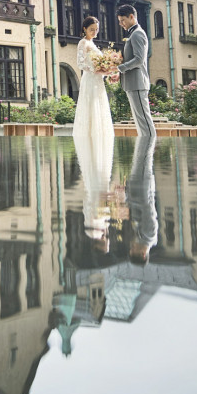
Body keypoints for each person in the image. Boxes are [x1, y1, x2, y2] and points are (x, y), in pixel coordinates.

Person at [75, 15, 115, 250]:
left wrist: (108, 69)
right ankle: (90, 137)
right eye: (91, 29)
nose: (95, 32)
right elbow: (82, 64)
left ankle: (98, 136)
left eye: (97, 29)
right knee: (91, 108)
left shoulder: (94, 44)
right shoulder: (83, 44)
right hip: (90, 81)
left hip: (97, 81)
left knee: (100, 108)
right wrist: (99, 68)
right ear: (84, 29)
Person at [116, 4, 154, 138]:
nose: (121, 24)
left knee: (144, 122)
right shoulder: (134, 33)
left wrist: (120, 68)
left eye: (122, 20)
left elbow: (139, 59)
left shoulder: (137, 33)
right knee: (141, 123)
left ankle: (149, 153)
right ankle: (144, 156)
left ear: (131, 17)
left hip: (137, 84)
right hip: (133, 84)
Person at [125, 132, 158, 265]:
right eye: (133, 250)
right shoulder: (149, 235)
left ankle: (147, 137)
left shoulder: (142, 236)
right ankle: (148, 137)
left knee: (140, 156)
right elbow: (146, 207)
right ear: (143, 254)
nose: (131, 246)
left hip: (137, 188)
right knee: (144, 154)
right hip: (142, 186)